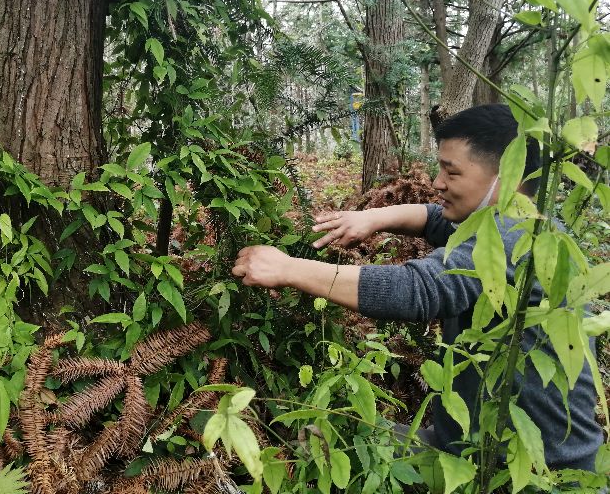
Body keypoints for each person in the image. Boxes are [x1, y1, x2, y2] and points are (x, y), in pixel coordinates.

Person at [231, 104, 603, 472]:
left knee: (329, 445)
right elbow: (432, 217)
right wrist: (371, 217)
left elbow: (418, 290)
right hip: (467, 446)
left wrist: (287, 267)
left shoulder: (517, 234)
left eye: (451, 172)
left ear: (507, 176)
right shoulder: (499, 219)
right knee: (327, 435)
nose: (437, 183)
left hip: (538, 472)